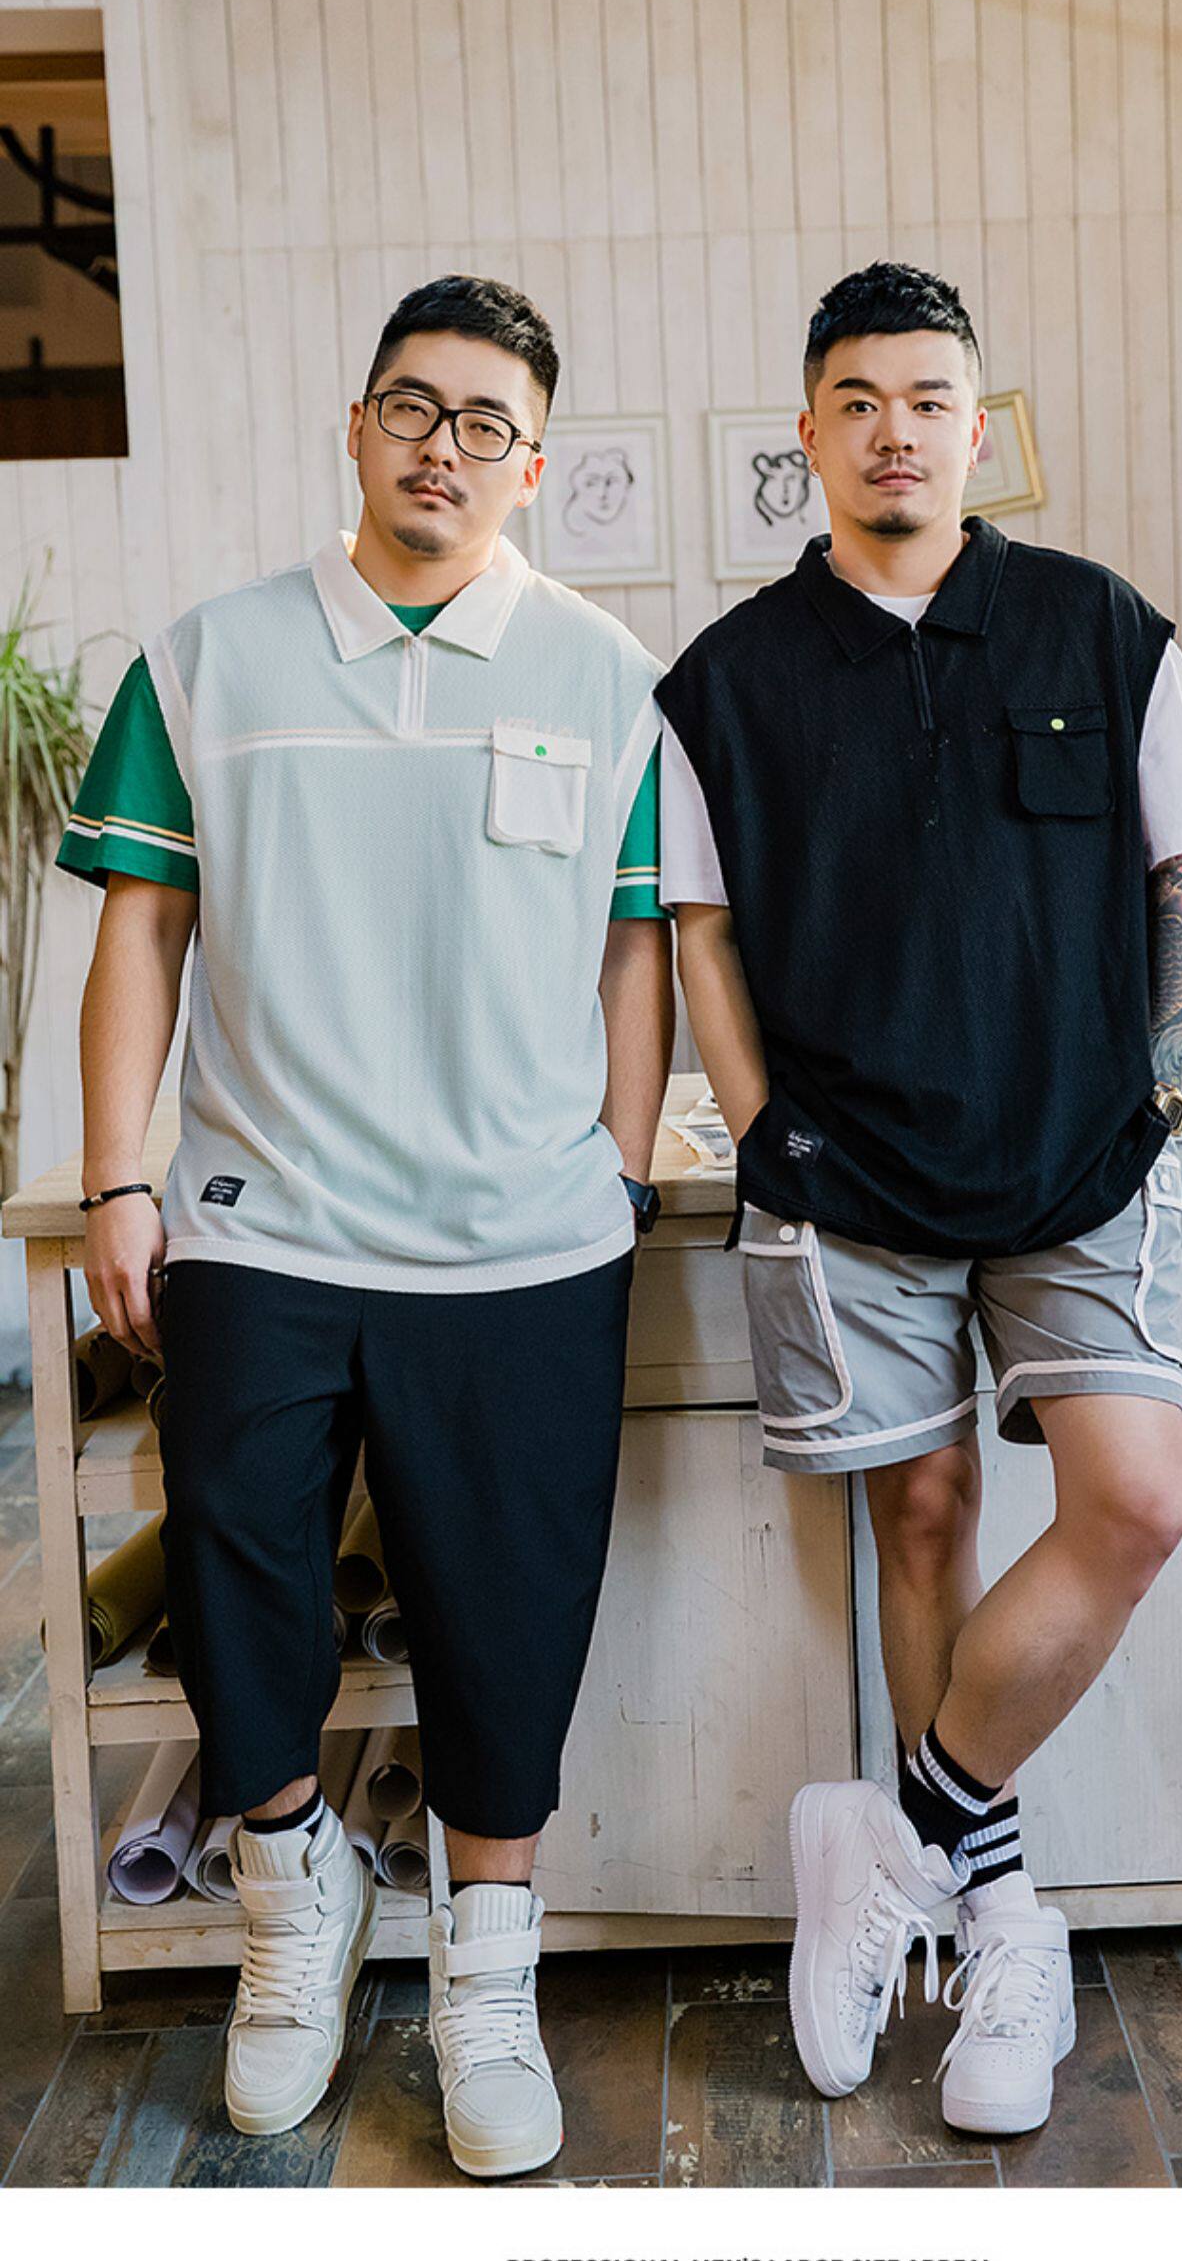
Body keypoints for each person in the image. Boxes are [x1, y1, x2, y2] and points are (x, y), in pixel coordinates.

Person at [58, 275, 673, 2179]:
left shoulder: (605, 675)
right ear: (356, 424)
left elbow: (636, 945)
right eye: (414, 406)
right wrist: (118, 1175)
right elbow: (142, 932)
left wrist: (618, 1168)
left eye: (488, 424)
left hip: (522, 1243)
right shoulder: (210, 659)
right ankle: (290, 1893)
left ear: (533, 465)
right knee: (234, 1583)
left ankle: (487, 1970)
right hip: (266, 1221)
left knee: (508, 1618)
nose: (443, 447)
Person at [658, 261, 1182, 2138]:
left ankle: (894, 1838)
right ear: (809, 434)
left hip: (1079, 1164)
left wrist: (1153, 1084)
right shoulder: (730, 678)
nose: (896, 431)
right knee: (921, 1516)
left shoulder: (1103, 626)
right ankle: (997, 1925)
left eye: (929, 398)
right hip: (849, 1176)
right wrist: (765, 1130)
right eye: (858, 400)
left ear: (979, 427)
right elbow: (700, 928)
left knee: (1138, 1501)